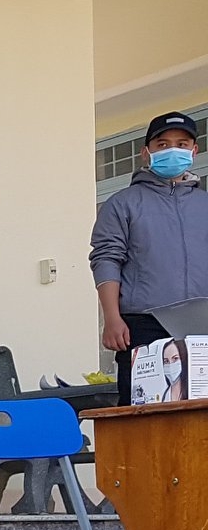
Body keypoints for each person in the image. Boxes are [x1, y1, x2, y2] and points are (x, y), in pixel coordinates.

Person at [91, 111, 208, 406]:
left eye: (182, 144)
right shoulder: (122, 204)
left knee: (199, 415)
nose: (173, 150)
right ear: (147, 152)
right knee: (142, 414)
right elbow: (106, 258)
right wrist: (112, 318)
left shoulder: (204, 204)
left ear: (194, 151)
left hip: (202, 325)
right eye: (162, 144)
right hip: (144, 325)